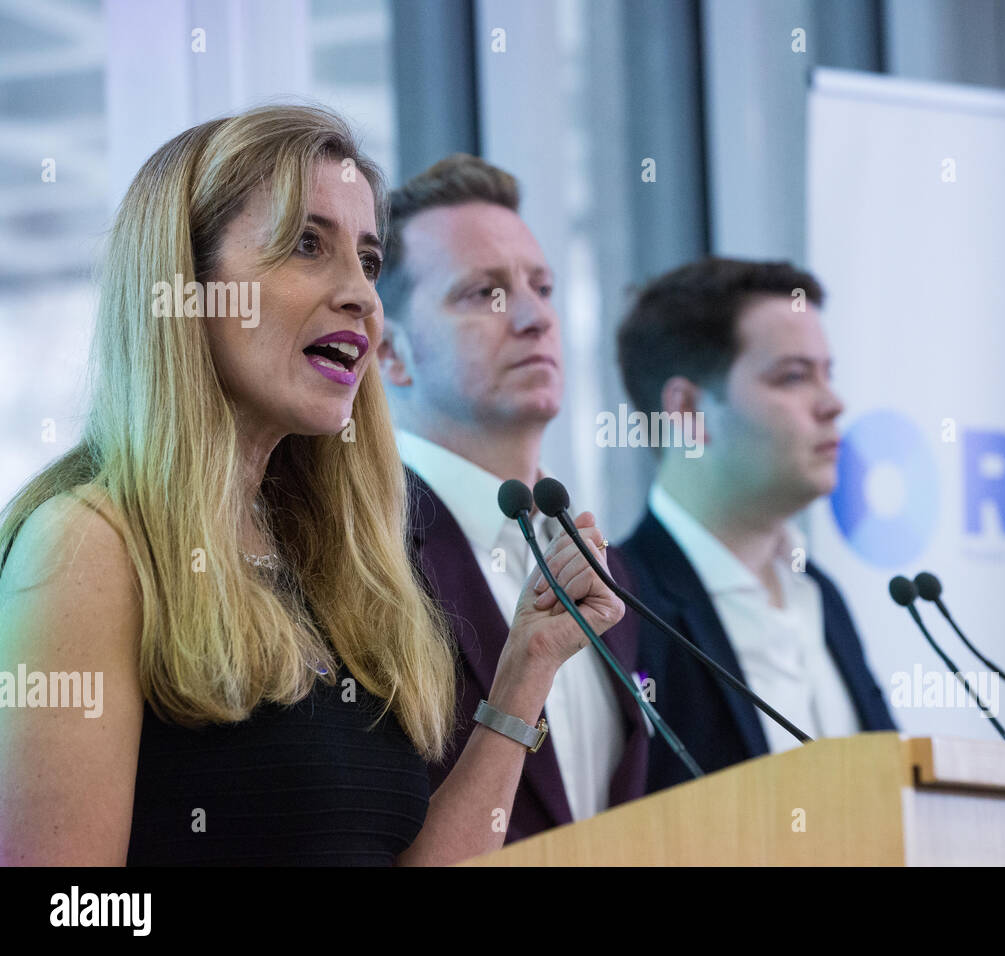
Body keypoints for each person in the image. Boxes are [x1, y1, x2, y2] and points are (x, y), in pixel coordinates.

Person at [0, 105, 622, 866]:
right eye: (306, 245)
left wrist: (526, 670)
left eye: (367, 258)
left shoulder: (333, 565)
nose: (361, 293)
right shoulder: (87, 550)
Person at [375, 155, 646, 842]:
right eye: (484, 294)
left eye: (543, 286)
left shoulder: (602, 562)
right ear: (390, 354)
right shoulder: (361, 559)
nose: (534, 317)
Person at [616, 257, 896, 793]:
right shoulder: (621, 606)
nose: (833, 404)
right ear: (687, 408)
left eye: (827, 373)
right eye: (793, 376)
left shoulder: (821, 596)